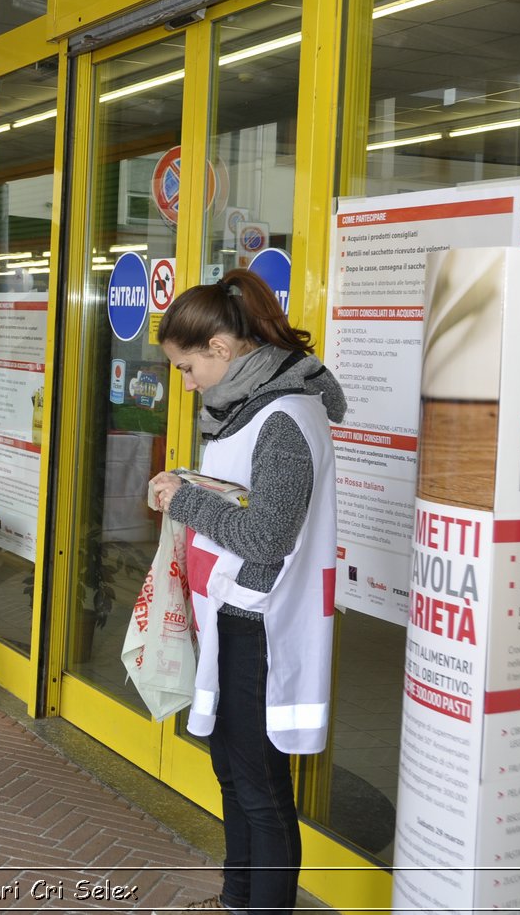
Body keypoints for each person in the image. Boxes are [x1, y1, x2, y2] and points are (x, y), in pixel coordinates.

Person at [147, 269, 346, 915]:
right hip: (235, 614)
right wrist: (192, 485)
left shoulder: (285, 415)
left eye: (186, 366)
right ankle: (236, 899)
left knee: (261, 787)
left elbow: (265, 535)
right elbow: (250, 501)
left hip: (260, 624)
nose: (185, 382)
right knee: (233, 773)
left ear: (223, 350)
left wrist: (185, 500)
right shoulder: (250, 409)